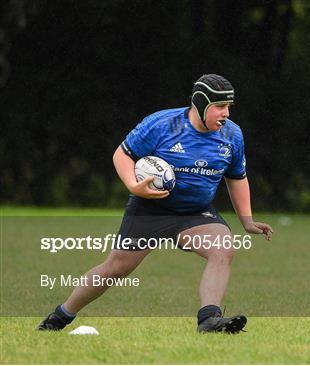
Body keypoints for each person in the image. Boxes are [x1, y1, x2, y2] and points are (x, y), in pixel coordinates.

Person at [38, 74, 273, 334]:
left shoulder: (232, 135)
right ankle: (60, 316)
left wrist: (247, 221)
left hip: (195, 213)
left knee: (223, 248)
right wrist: (132, 184)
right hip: (150, 210)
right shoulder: (162, 124)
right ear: (201, 103)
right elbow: (123, 154)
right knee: (117, 267)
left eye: (229, 106)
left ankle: (209, 318)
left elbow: (236, 177)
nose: (226, 113)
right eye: (219, 106)